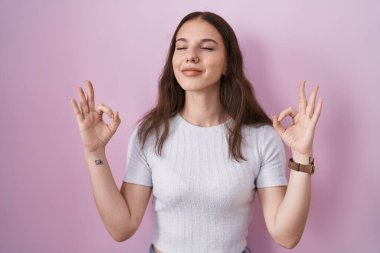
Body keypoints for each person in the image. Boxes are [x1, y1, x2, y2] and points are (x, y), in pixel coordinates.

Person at [70, 11, 323, 253]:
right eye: (181, 47)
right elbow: (121, 227)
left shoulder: (261, 137)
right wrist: (95, 152)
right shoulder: (149, 134)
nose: (190, 56)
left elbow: (286, 236)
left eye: (207, 47)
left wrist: (302, 154)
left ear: (227, 64)